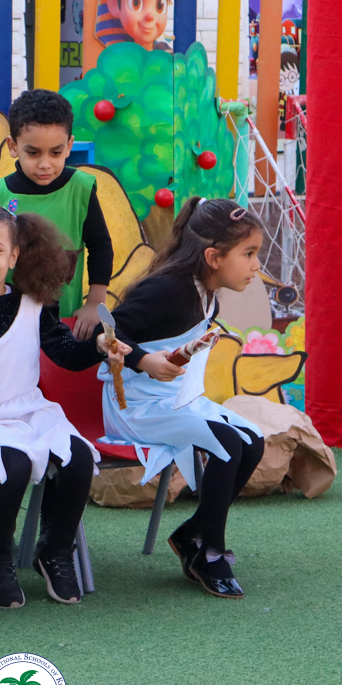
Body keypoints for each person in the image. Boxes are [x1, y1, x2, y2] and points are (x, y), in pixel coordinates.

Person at [0, 201, 129, 608]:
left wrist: (100, 347)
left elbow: (66, 354)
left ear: (14, 255)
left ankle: (55, 550)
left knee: (78, 458)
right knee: (13, 464)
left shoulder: (35, 302)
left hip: (30, 409)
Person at [103, 198, 266, 599]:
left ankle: (193, 531)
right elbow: (105, 332)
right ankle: (209, 552)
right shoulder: (166, 289)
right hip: (135, 406)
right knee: (227, 443)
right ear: (213, 257)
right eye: (248, 254)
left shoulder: (207, 291)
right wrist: (144, 361)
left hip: (174, 400)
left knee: (252, 440)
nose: (256, 265)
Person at [0, 89, 114, 337]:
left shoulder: (81, 188)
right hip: (6, 324)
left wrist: (95, 304)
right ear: (13, 146)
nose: (45, 164)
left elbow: (100, 247)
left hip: (64, 322)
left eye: (55, 152)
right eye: (33, 153)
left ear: (69, 146)